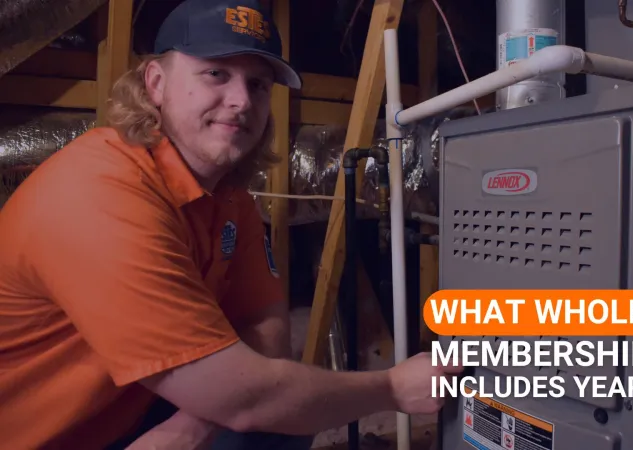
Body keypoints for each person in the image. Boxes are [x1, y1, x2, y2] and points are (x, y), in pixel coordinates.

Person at [0, 0, 461, 448]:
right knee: (274, 408)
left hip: (119, 412)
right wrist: (392, 388)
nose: (241, 101)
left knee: (280, 414)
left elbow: (266, 329)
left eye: (258, 85)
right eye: (216, 74)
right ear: (155, 84)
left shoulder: (228, 197)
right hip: (38, 436)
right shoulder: (101, 193)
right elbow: (248, 397)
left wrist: (191, 427)